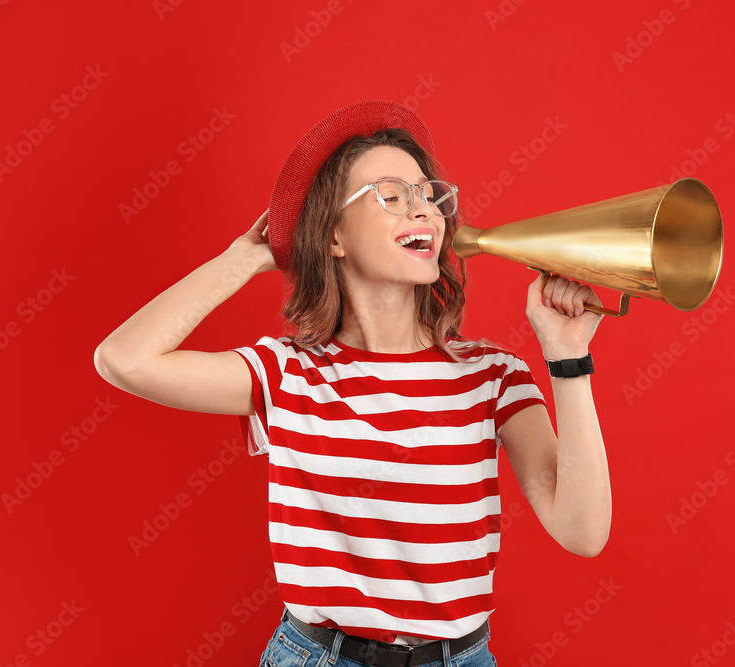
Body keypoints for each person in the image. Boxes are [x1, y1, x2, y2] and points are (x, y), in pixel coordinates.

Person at [93, 100, 611, 667]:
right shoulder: (288, 374)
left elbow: (583, 533)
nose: (423, 209)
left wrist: (568, 357)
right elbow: (124, 360)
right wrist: (243, 260)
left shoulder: (492, 375)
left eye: (428, 195)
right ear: (334, 235)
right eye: (392, 196)